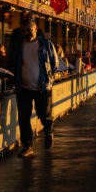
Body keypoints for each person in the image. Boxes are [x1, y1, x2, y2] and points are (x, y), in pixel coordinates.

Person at [8, 16, 59, 158]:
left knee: (44, 115)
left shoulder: (46, 44)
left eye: (29, 30)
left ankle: (48, 131)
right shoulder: (17, 46)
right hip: (23, 87)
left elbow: (54, 64)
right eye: (23, 31)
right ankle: (28, 146)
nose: (26, 33)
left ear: (36, 29)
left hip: (42, 88)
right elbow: (12, 63)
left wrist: (48, 80)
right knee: (24, 117)